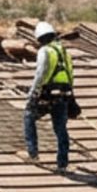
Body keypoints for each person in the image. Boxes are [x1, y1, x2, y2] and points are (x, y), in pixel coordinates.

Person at [24, 21, 73, 171]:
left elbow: (40, 73)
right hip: (63, 94)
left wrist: (33, 92)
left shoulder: (45, 51)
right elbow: (70, 73)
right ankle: (62, 163)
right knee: (61, 129)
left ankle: (33, 154)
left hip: (47, 94)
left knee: (29, 116)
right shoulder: (64, 51)